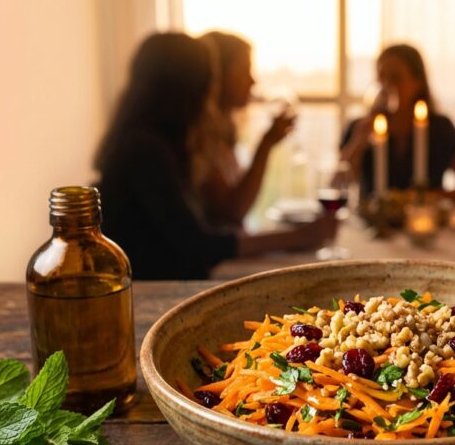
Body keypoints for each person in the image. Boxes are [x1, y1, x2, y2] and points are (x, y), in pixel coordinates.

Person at [95, 33, 328, 280]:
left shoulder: (151, 145)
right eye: (208, 85)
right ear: (186, 90)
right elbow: (198, 244)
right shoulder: (144, 153)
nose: (210, 98)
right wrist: (297, 237)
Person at [193, 31, 295, 228]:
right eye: (244, 71)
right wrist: (266, 144)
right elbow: (233, 211)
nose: (252, 81)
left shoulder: (223, 132)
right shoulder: (199, 139)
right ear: (218, 76)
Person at [339, 44, 455, 199]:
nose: (386, 85)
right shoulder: (359, 128)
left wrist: (426, 198)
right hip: (372, 222)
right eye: (381, 77)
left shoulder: (441, 128)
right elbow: (337, 187)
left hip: (427, 221)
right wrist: (358, 144)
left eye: (395, 78)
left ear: (418, 82)